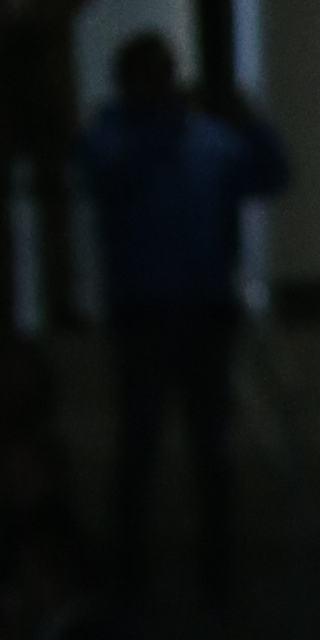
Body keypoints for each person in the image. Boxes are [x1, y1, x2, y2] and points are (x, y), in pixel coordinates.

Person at [79, 31, 290, 597]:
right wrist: (161, 129)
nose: (162, 84)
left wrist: (252, 122)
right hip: (143, 314)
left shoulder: (210, 140)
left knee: (210, 450)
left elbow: (272, 176)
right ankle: (128, 573)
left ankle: (217, 572)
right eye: (151, 74)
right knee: (139, 448)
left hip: (205, 313)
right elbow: (105, 176)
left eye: (166, 72)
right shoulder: (108, 135)